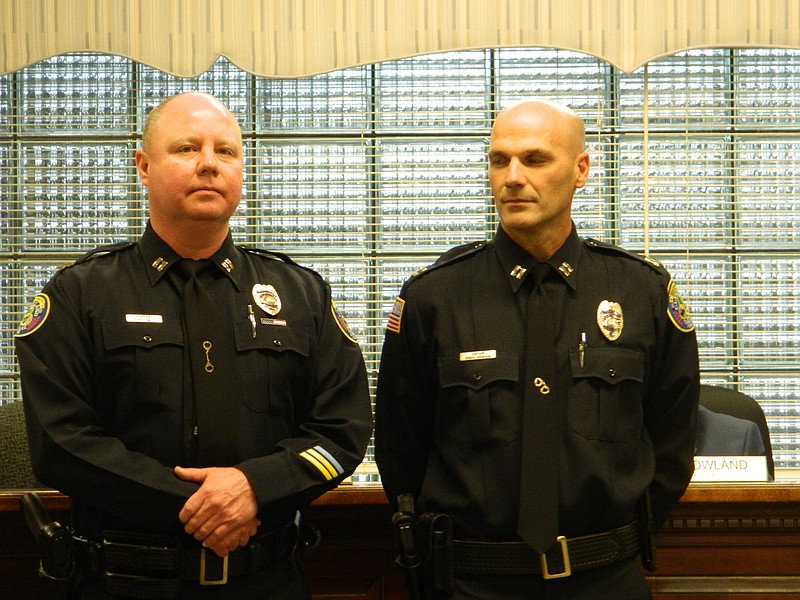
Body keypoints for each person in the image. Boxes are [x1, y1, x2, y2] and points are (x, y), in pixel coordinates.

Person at [14, 92, 373, 599]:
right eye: (186, 148)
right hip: (126, 583)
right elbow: (62, 444)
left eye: (224, 151)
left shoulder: (300, 294)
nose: (208, 164)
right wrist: (205, 506)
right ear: (143, 166)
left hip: (269, 581)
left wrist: (255, 488)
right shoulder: (80, 294)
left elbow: (344, 430)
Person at [374, 99, 700, 599]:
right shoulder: (434, 298)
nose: (512, 177)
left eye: (535, 159)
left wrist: (614, 541)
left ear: (581, 169)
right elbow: (401, 451)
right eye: (498, 159)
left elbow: (671, 443)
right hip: (473, 582)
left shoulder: (642, 293)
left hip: (605, 579)